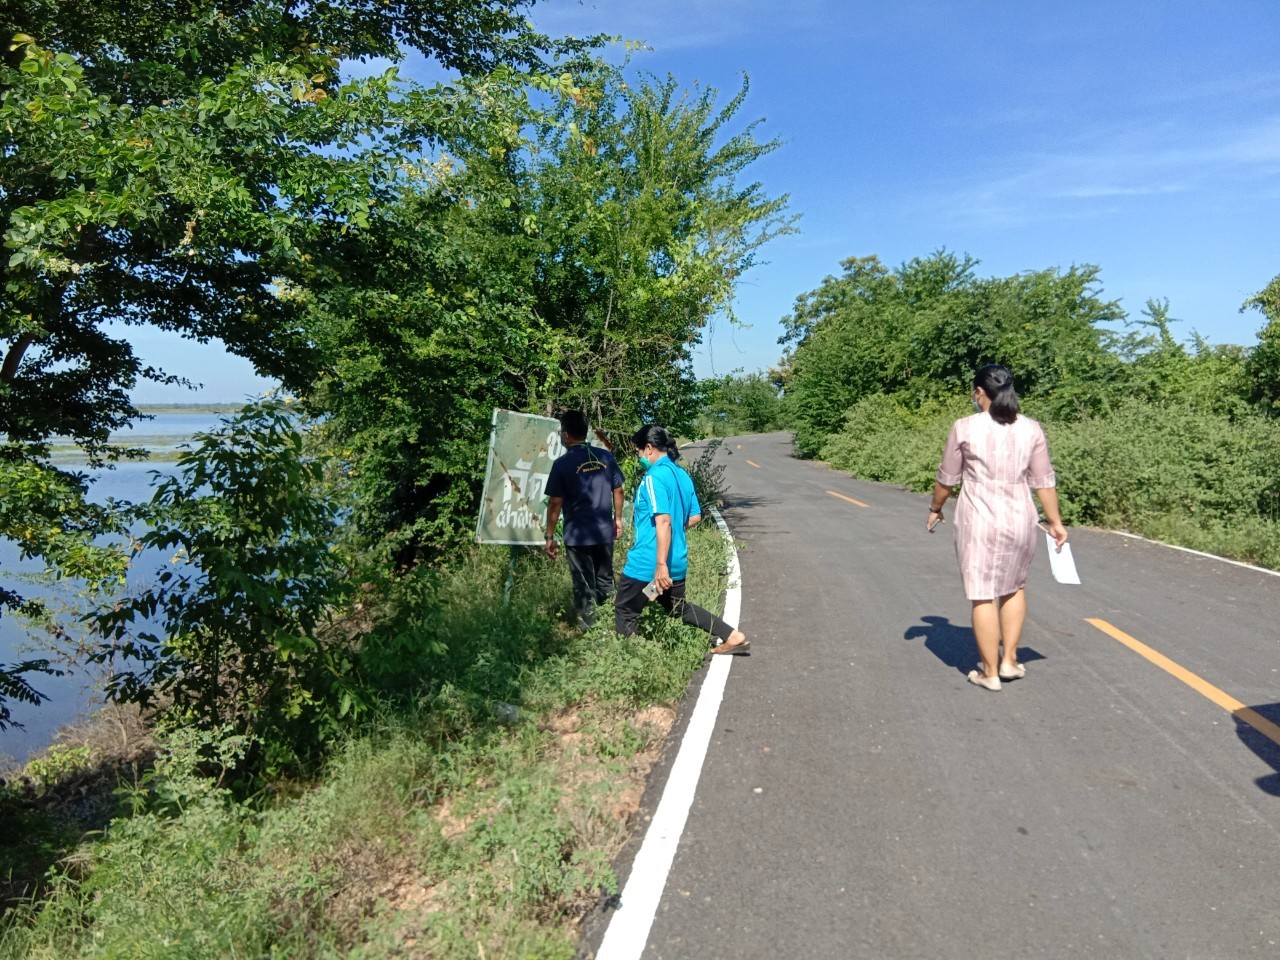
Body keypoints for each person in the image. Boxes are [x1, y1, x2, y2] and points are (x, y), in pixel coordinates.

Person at [926, 365, 1068, 691]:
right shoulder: (1031, 428)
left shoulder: (964, 427)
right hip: (1020, 519)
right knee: (1014, 587)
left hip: (978, 519)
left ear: (979, 392)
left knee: (982, 594)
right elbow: (1043, 481)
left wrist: (935, 509)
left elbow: (947, 478)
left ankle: (989, 672)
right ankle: (1010, 661)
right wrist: (1056, 522)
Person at [615, 425, 749, 653]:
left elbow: (663, 521)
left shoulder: (653, 477)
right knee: (677, 608)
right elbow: (695, 517)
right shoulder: (682, 475)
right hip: (676, 561)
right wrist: (674, 533)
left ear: (649, 448)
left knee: (625, 610)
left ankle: (640, 657)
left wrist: (660, 565)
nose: (638, 456)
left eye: (638, 451)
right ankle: (732, 636)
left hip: (650, 563)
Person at [544, 411, 625, 630]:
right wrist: (617, 519)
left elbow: (555, 503)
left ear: (566, 435)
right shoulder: (605, 457)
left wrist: (549, 536)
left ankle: (590, 630)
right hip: (603, 532)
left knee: (583, 583)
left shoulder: (561, 464)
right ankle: (613, 625)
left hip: (577, 536)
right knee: (605, 579)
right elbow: (618, 489)